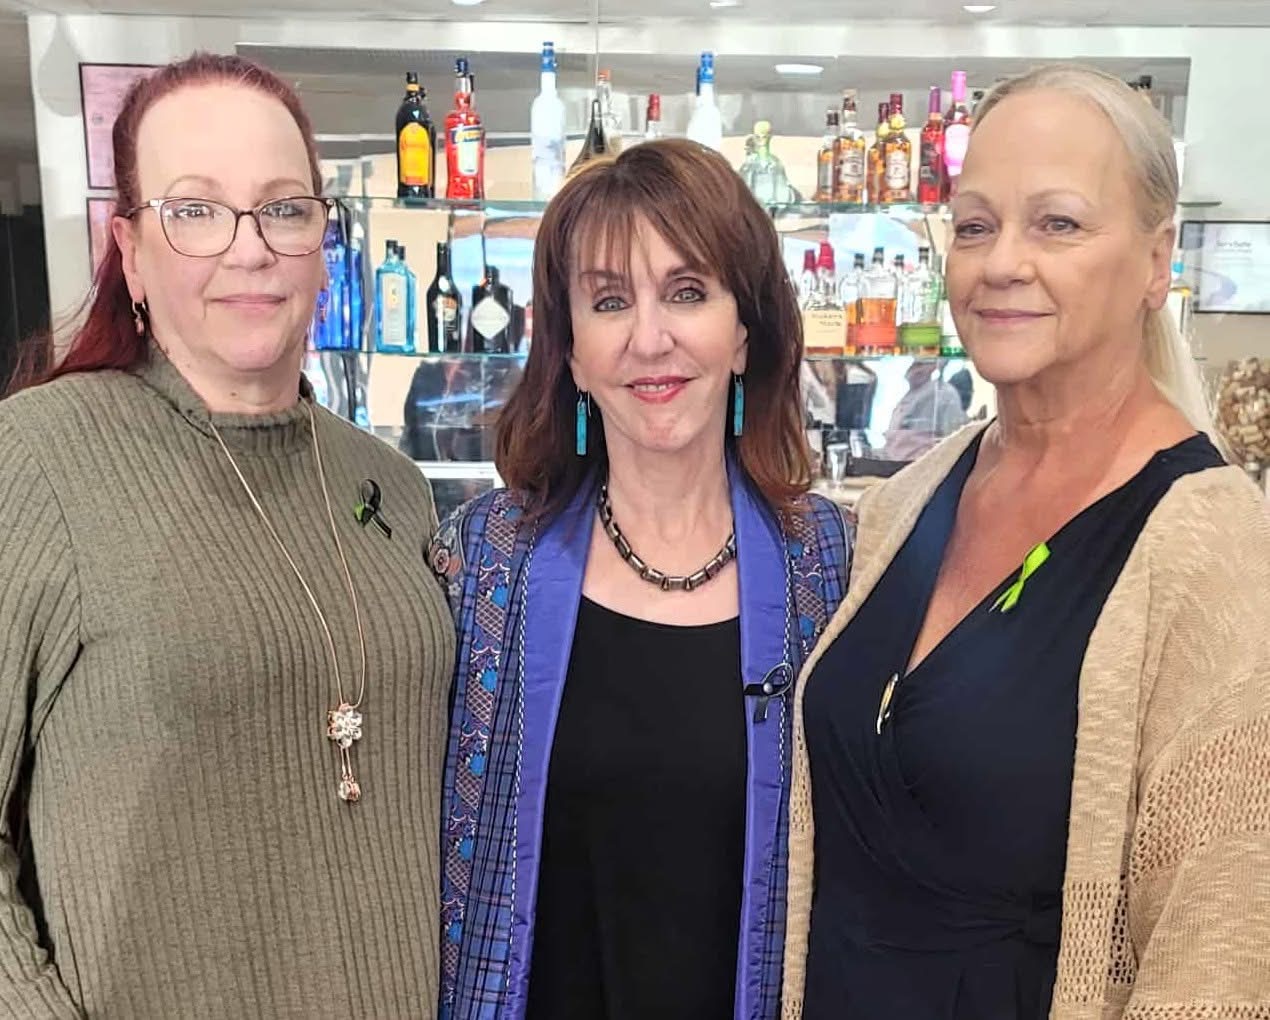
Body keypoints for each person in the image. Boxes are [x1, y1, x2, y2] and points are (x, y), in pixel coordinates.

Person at [781, 65, 1270, 1019]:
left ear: (1156, 261)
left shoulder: (1211, 551)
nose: (1002, 261)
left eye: (1059, 223)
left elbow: (1219, 954)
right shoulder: (908, 501)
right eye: (974, 224)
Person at [0, 54, 453, 1017]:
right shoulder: (35, 459)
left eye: (283, 209)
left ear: (323, 240)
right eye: (195, 211)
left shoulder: (390, 485)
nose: (248, 249)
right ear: (129, 248)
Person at [428, 140, 853, 1020]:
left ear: (744, 334)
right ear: (573, 352)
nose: (649, 338)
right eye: (610, 300)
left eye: (688, 292)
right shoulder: (482, 563)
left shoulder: (834, 571)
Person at [881, 358, 968, 460]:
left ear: (934, 366)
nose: (914, 371)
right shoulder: (908, 396)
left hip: (924, 465)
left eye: (920, 365)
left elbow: (953, 437)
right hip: (896, 465)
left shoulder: (944, 393)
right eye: (914, 365)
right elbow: (894, 438)